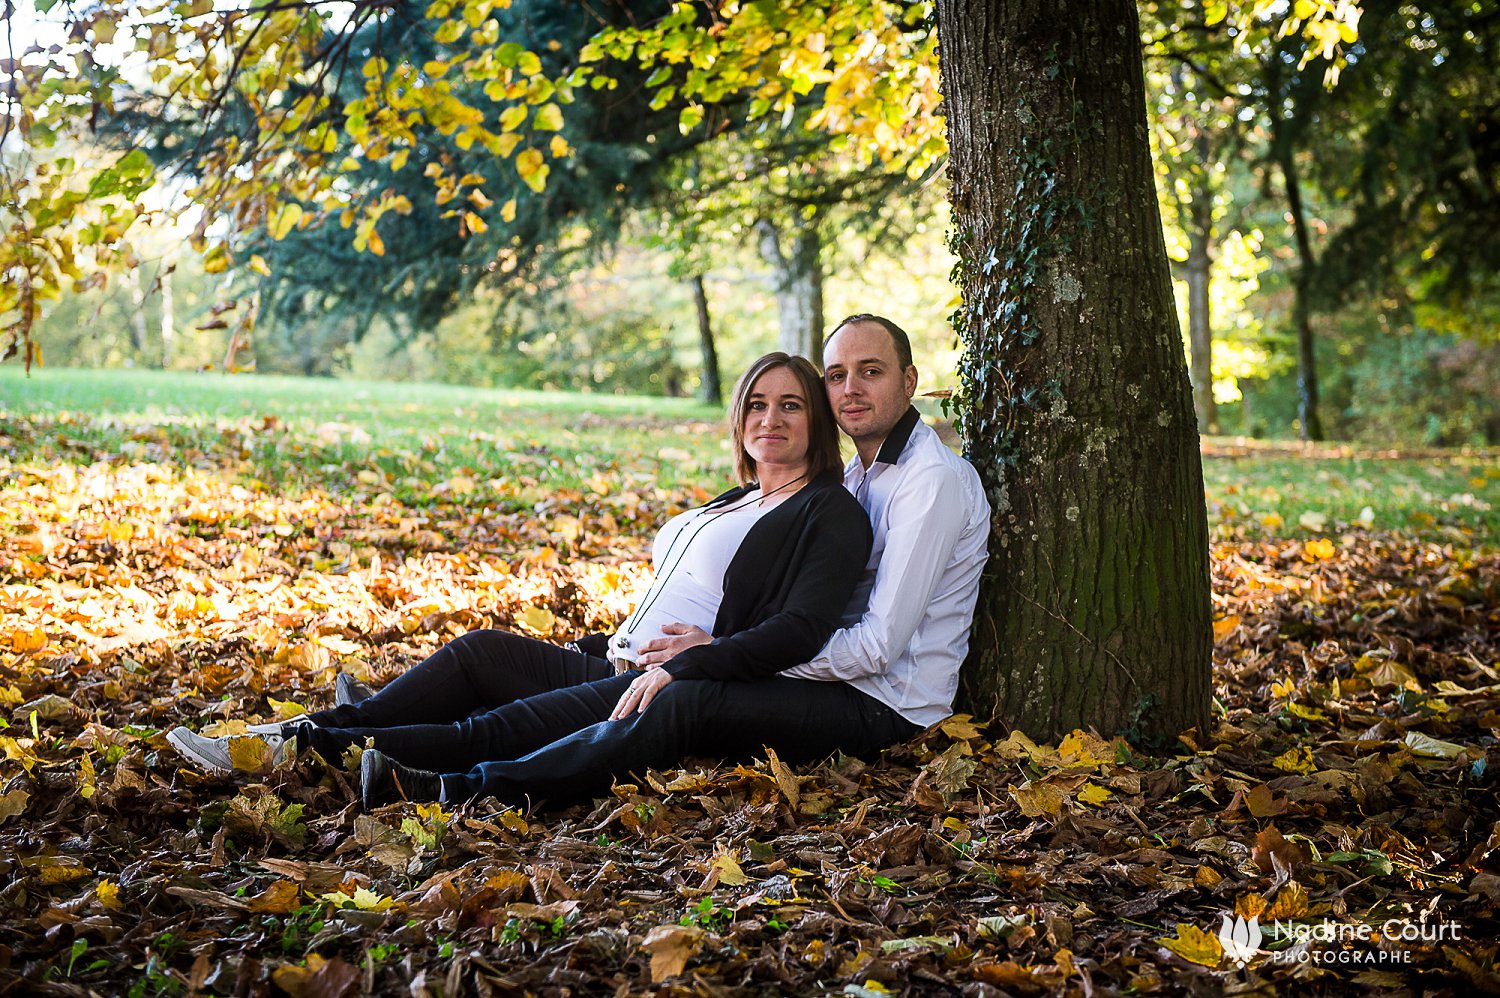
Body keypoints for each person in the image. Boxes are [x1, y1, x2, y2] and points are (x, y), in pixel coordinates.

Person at [168, 353, 906, 807]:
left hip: (659, 679)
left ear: (817, 421)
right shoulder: (743, 496)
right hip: (616, 656)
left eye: (790, 406)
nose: (769, 418)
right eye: (756, 403)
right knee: (479, 652)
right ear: (738, 415)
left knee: (489, 728)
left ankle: (297, 747)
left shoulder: (828, 513)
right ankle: (334, 728)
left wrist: (694, 658)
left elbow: (797, 627)